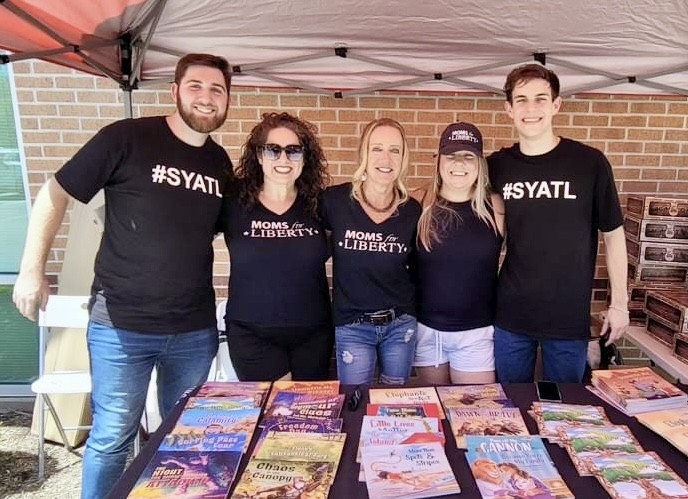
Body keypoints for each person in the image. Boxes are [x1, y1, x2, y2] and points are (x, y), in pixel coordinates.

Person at [12, 53, 232, 498]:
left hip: (192, 330)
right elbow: (56, 192)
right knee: (112, 437)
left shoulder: (219, 163)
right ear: (175, 91)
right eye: (195, 86)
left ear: (227, 99)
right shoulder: (127, 138)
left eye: (217, 89)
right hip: (121, 327)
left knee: (186, 434)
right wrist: (31, 269)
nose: (206, 97)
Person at [488, 63, 628, 383]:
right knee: (512, 403)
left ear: (556, 105)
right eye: (521, 100)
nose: (531, 109)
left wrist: (619, 304)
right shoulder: (497, 167)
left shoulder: (588, 163)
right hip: (511, 315)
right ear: (509, 109)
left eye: (540, 99)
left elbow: (613, 235)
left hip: (567, 317)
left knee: (567, 407)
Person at [221, 112, 332, 382]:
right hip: (252, 334)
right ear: (259, 156)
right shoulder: (233, 203)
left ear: (305, 158)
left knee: (308, 409)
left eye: (293, 151)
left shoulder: (320, 205)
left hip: (313, 336)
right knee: (275, 405)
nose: (283, 159)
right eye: (273, 150)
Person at [320, 118, 421, 385]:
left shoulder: (412, 210)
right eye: (377, 148)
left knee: (394, 401)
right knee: (356, 398)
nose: (386, 158)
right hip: (353, 324)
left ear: (403, 158)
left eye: (395, 150)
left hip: (400, 323)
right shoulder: (334, 201)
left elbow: (419, 267)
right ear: (363, 153)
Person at [413, 122, 504, 385]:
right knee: (434, 408)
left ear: (480, 163)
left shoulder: (495, 207)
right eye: (451, 155)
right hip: (426, 331)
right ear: (439, 160)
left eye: (468, 156)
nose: (459, 163)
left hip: (476, 334)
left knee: (476, 408)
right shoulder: (419, 202)